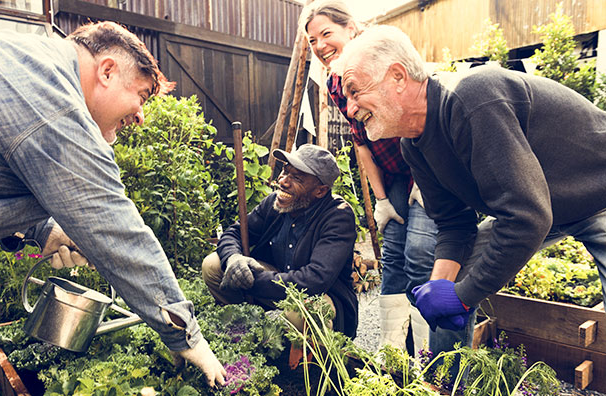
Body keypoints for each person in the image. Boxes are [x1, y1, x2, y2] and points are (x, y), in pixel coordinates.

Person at [0, 22, 226, 394]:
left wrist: (44, 230)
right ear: (106, 70)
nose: (141, 116)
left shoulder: (27, 64)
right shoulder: (54, 99)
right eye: (141, 95)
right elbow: (116, 229)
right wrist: (188, 339)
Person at [331, 25, 606, 342]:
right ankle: (444, 380)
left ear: (397, 76)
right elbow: (453, 223)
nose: (350, 108)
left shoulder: (472, 99)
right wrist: (440, 289)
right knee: (457, 272)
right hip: (547, 206)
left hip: (597, 193)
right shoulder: (413, 146)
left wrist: (461, 296)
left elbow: (527, 218)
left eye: (354, 91)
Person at [299, 0, 442, 356]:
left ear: (351, 28)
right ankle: (393, 353)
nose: (319, 46)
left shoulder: (381, 53)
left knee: (421, 252)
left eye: (326, 34)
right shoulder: (337, 82)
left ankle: (430, 356)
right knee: (393, 253)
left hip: (428, 168)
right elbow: (361, 141)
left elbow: (421, 118)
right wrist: (380, 199)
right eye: (312, 40)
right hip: (394, 172)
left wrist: (425, 180)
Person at [202, 144, 359, 338]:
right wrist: (234, 259)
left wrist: (251, 280)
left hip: (321, 298)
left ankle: (309, 362)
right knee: (213, 265)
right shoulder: (275, 203)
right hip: (278, 283)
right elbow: (234, 232)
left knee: (300, 311)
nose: (283, 182)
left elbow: (314, 280)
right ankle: (244, 332)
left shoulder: (338, 217)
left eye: (296, 178)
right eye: (284, 172)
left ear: (320, 191)